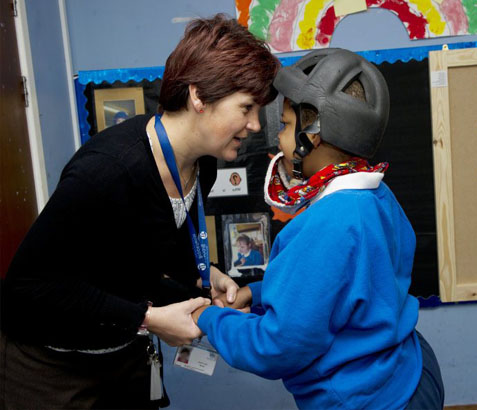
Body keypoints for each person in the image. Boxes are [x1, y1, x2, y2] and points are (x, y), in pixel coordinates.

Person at [0, 14, 279, 409]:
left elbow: (153, 239)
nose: (254, 124)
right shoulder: (108, 171)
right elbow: (27, 287)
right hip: (51, 367)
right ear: (199, 97)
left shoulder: (204, 160)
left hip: (123, 353)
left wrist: (205, 274)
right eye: (247, 107)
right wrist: (147, 319)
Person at [191, 49, 444, 409]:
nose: (278, 139)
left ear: (315, 134)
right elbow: (351, 285)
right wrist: (259, 294)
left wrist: (208, 317)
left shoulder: (328, 223)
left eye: (286, 126)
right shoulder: (376, 194)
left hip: (367, 399)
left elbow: (276, 347)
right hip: (412, 370)